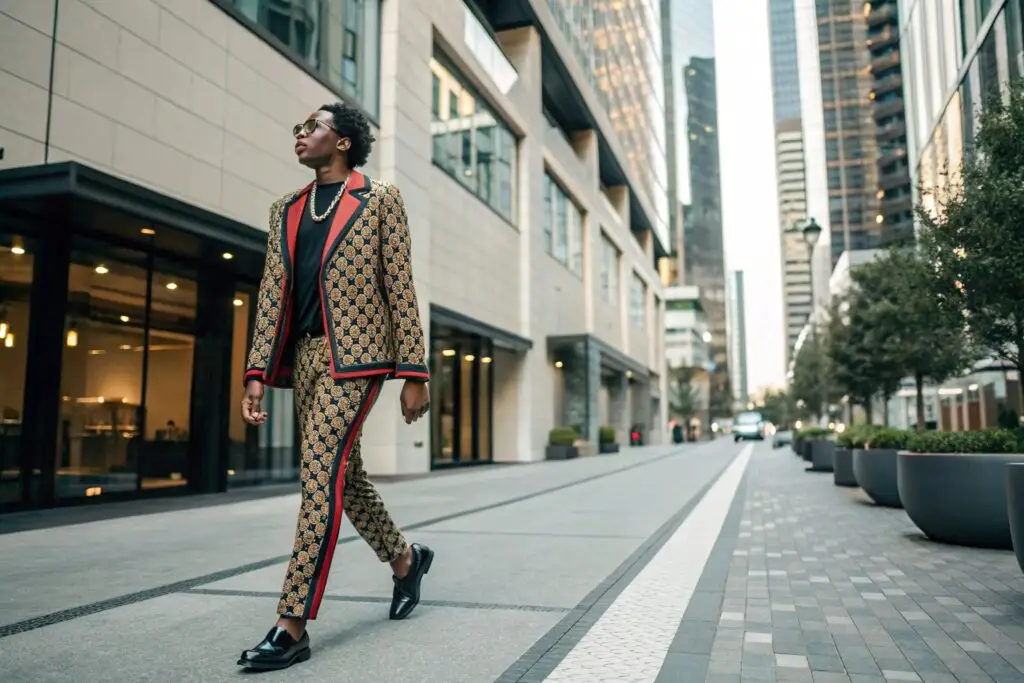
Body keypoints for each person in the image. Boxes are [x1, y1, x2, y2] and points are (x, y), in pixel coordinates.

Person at [237, 102, 434, 671]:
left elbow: (399, 286)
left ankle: (290, 624)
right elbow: (272, 295)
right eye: (299, 126)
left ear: (343, 141)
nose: (301, 132)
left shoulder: (380, 200)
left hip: (359, 357)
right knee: (344, 477)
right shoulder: (285, 210)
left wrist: (414, 372)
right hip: (306, 359)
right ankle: (405, 560)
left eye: (314, 126)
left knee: (318, 474)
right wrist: (256, 373)